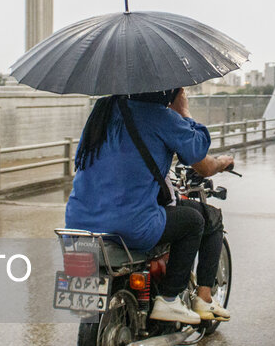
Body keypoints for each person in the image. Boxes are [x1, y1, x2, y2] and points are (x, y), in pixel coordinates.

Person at [65, 86, 234, 325]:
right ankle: (169, 298)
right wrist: (183, 110)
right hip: (130, 225)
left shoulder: (102, 111)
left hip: (78, 221)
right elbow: (198, 152)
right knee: (194, 221)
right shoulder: (159, 116)